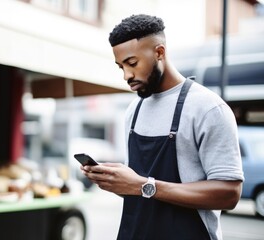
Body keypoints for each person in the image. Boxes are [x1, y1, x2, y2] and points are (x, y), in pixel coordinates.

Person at [81, 14, 244, 240]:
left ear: (159, 52)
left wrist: (143, 186)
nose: (127, 75)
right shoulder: (134, 111)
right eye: (121, 67)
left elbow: (229, 194)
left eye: (132, 63)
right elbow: (142, 191)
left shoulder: (207, 108)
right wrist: (116, 182)